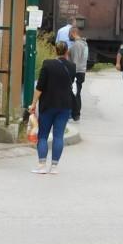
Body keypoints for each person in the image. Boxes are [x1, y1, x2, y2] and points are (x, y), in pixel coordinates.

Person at [28, 41, 75, 174]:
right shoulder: (72, 67)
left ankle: (42, 165)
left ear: (55, 50)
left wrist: (33, 103)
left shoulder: (47, 64)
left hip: (48, 105)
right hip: (65, 105)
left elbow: (40, 87)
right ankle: (54, 167)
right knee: (58, 136)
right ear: (67, 52)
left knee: (43, 136)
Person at [67, 26, 88, 121]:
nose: (68, 36)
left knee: (74, 93)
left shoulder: (77, 45)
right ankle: (76, 113)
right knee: (77, 92)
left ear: (73, 33)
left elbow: (74, 62)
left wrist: (71, 73)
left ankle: (75, 114)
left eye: (69, 34)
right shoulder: (84, 44)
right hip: (82, 71)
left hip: (76, 72)